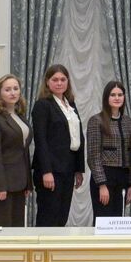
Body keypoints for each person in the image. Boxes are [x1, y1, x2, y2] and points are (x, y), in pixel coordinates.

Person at [31, 64, 84, 227]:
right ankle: (42, 251)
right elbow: (41, 141)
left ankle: (55, 252)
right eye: (55, 80)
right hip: (50, 171)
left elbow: (78, 137)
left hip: (67, 169)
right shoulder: (42, 105)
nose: (59, 83)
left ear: (68, 82)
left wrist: (79, 169)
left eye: (63, 79)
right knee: (49, 216)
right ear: (47, 82)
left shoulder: (71, 105)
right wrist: (47, 171)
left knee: (62, 216)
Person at [0, 74, 32, 227]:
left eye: (16, 89)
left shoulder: (20, 117)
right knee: (2, 231)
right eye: (7, 89)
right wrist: (0, 186)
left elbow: (24, 152)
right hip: (2, 185)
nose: (13, 93)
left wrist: (28, 183)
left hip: (19, 183)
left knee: (17, 230)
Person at [86, 81, 131, 223]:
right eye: (113, 95)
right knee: (103, 221)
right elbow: (93, 156)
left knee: (117, 222)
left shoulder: (128, 122)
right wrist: (102, 184)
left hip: (122, 178)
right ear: (106, 98)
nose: (117, 98)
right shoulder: (96, 120)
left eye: (120, 95)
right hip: (104, 176)